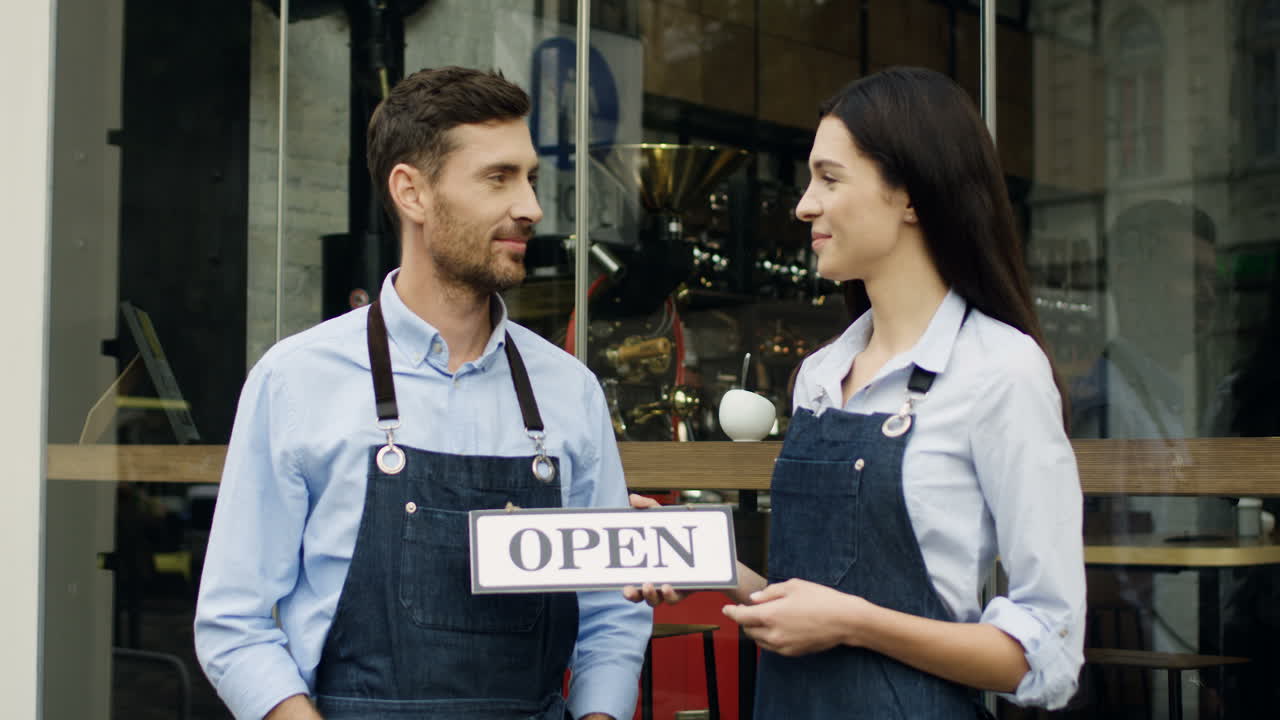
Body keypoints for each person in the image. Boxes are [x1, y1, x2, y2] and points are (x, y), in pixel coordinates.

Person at [626, 66, 1086, 717]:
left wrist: (857, 622)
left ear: (912, 197)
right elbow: (809, 609)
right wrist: (702, 556)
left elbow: (1045, 657)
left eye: (830, 178)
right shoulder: (819, 377)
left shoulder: (1001, 371)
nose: (803, 205)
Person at [195, 66, 652, 720]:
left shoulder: (568, 391)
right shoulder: (295, 381)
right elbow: (232, 623)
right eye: (499, 178)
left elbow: (612, 612)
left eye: (531, 179)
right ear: (412, 192)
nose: (531, 207)